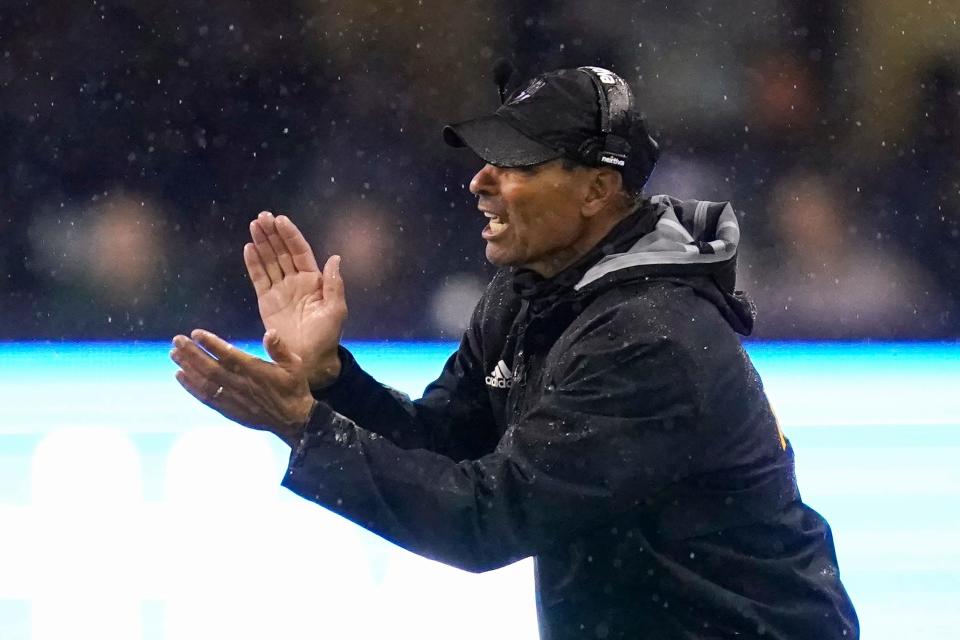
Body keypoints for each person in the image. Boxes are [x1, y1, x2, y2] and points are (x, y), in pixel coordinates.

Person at [170, 66, 859, 639]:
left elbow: (485, 520)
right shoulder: (530, 294)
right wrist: (328, 380)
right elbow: (447, 447)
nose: (480, 181)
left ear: (597, 188)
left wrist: (302, 426)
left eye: (517, 163)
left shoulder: (651, 338)